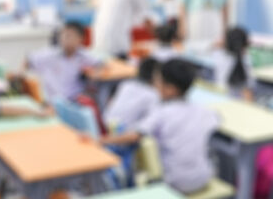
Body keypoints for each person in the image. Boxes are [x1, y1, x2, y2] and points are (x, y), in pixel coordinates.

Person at [99, 59, 219, 194]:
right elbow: (216, 120)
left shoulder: (161, 114)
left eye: (158, 81)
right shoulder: (203, 111)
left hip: (176, 184)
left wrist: (101, 140)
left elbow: (133, 136)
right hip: (203, 178)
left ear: (170, 89)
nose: (155, 85)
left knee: (144, 166)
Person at [25, 21, 101, 102]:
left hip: (75, 101)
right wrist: (22, 74)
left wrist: (94, 74)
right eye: (63, 35)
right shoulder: (48, 55)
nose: (64, 38)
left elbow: (103, 65)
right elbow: (29, 60)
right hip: (52, 102)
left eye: (69, 36)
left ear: (80, 38)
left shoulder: (85, 56)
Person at [104, 57, 160, 130]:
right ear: (155, 77)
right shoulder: (152, 94)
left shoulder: (126, 84)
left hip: (106, 126)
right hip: (124, 134)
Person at [211, 27, 254, 99]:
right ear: (245, 44)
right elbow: (248, 92)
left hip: (218, 96)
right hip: (239, 101)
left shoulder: (217, 55)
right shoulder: (247, 60)